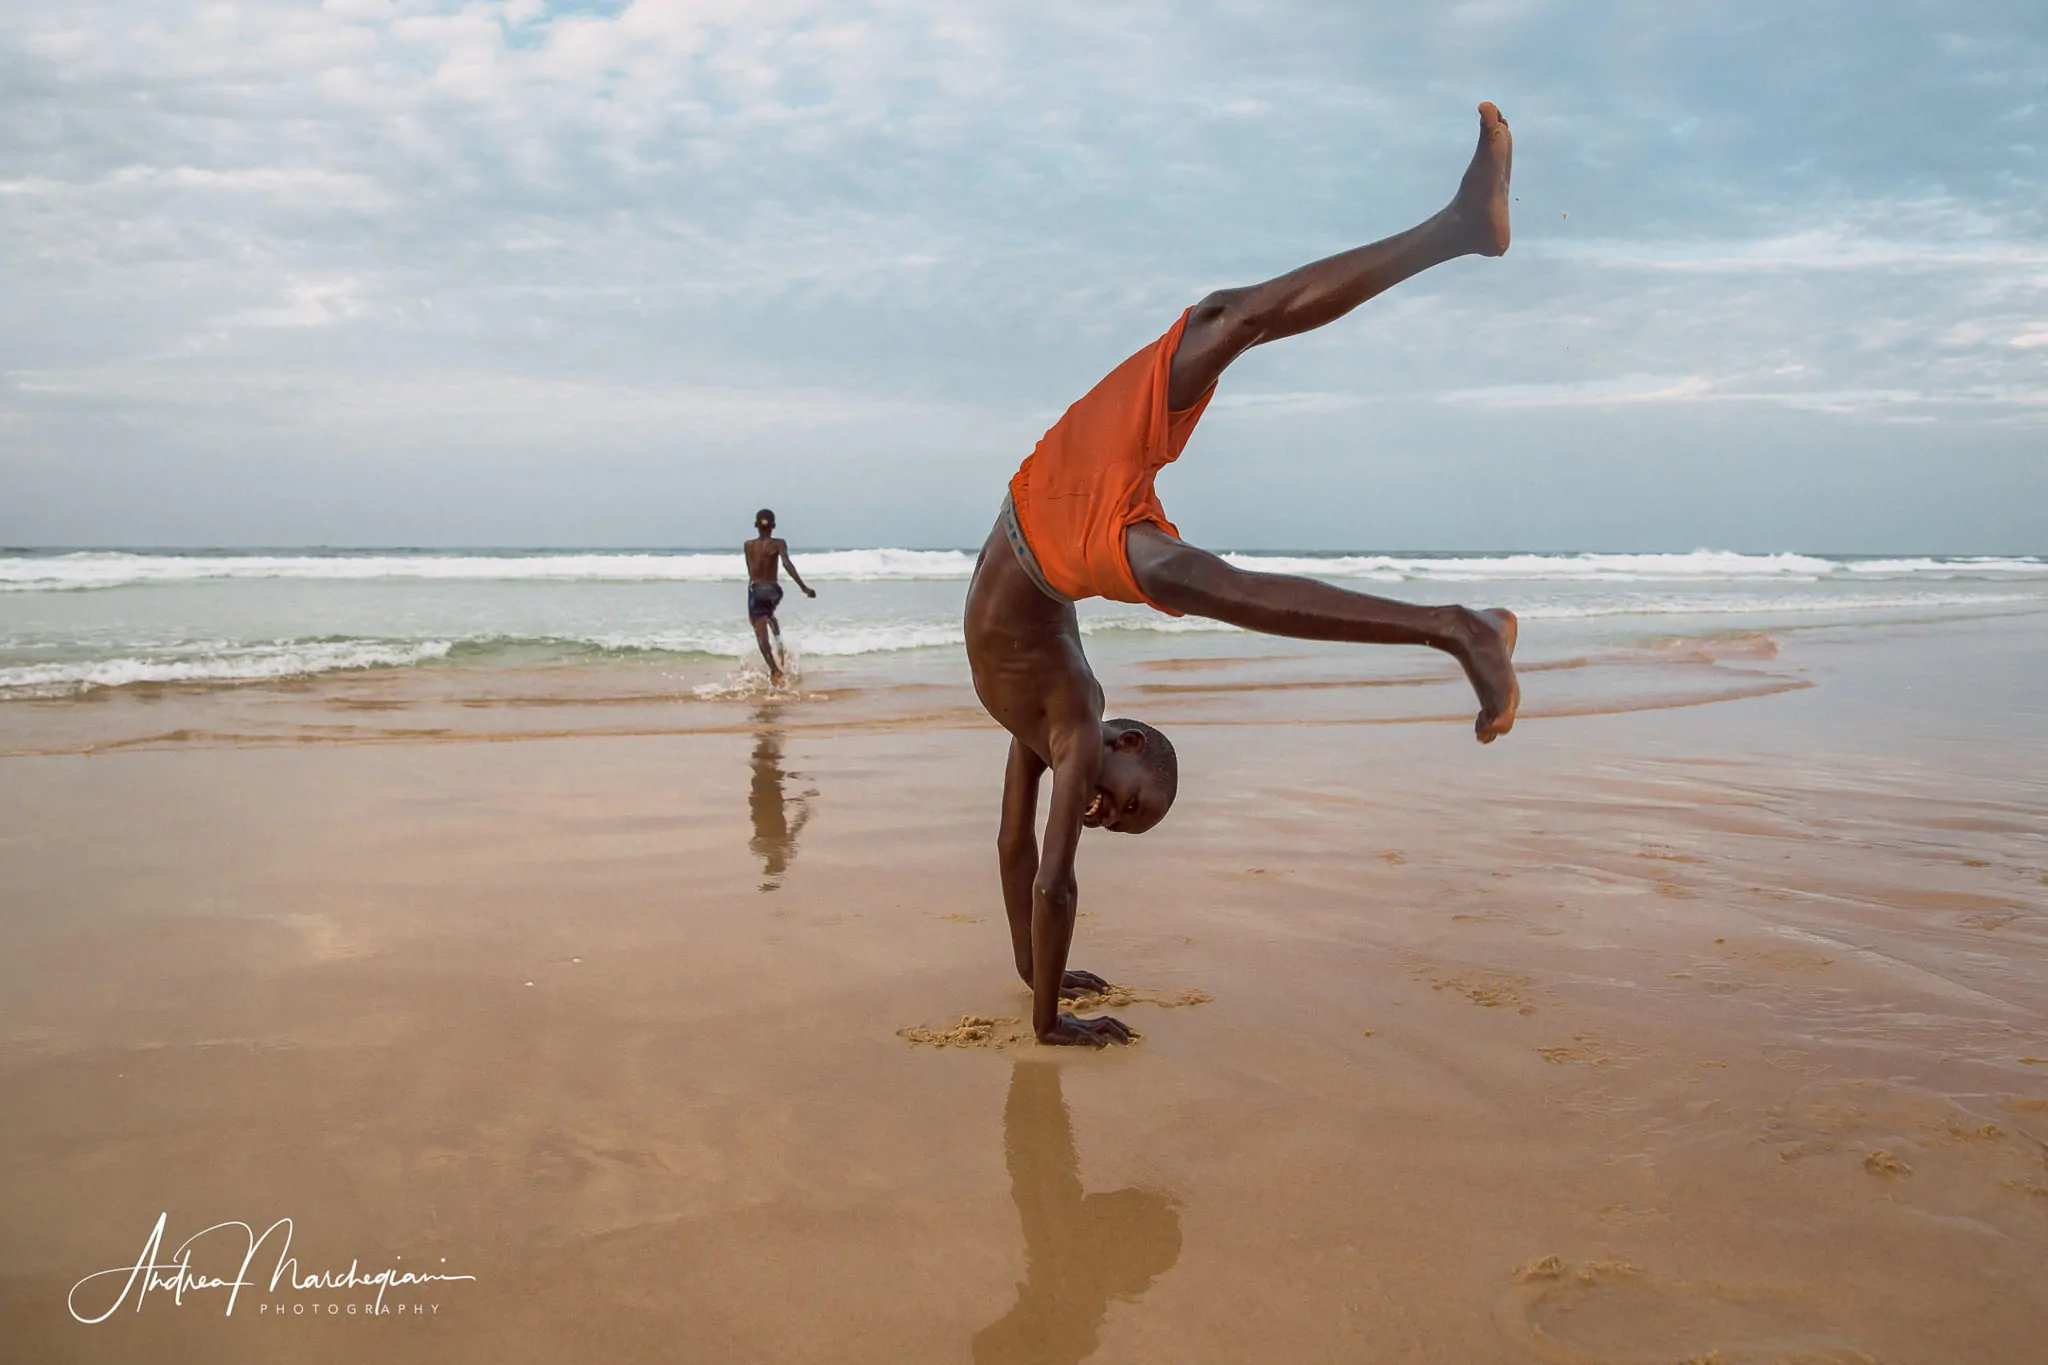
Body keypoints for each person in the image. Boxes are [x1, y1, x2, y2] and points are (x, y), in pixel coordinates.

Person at [964, 103, 1522, 1048]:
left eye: (1118, 823)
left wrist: (1034, 973)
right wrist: (1049, 1015)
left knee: (1193, 565)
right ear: (1127, 737)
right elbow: (1050, 876)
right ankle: (1460, 228)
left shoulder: (1055, 730)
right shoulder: (1077, 719)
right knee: (1230, 317)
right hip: (1056, 510)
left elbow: (1020, 850)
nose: (1105, 812)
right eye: (1129, 800)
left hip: (1053, 524)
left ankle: (1456, 628)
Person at [744, 508, 815, 684]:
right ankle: (779, 643)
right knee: (768, 613)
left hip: (756, 590)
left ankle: (775, 670)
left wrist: (752, 594)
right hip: (774, 591)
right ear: (773, 526)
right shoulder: (779, 543)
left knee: (760, 634)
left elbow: (751, 573)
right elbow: (787, 564)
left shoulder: (748, 545)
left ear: (755, 525)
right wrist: (804, 587)